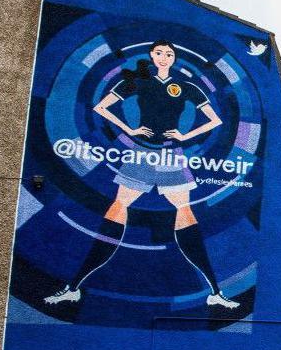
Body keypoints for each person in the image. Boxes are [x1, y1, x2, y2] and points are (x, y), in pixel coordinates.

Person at [45, 40, 239, 309]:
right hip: (142, 152)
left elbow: (215, 120)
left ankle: (215, 292)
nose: (163, 57)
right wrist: (130, 129)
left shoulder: (185, 86)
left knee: (184, 210)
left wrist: (185, 135)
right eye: (159, 53)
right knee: (118, 206)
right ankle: (73, 288)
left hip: (171, 154)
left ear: (174, 58)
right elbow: (102, 107)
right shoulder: (139, 80)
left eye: (169, 54)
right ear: (151, 55)